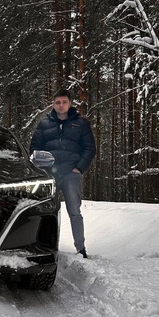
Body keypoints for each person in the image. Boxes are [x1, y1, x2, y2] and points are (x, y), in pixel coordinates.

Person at [30, 88, 96, 258]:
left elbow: (89, 148)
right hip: (48, 176)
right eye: (57, 102)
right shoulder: (44, 124)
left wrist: (79, 168)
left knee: (74, 212)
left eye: (64, 102)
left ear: (70, 103)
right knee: (44, 210)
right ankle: (42, 246)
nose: (61, 105)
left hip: (71, 174)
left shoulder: (81, 123)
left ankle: (81, 249)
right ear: (53, 104)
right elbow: (34, 149)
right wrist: (41, 169)